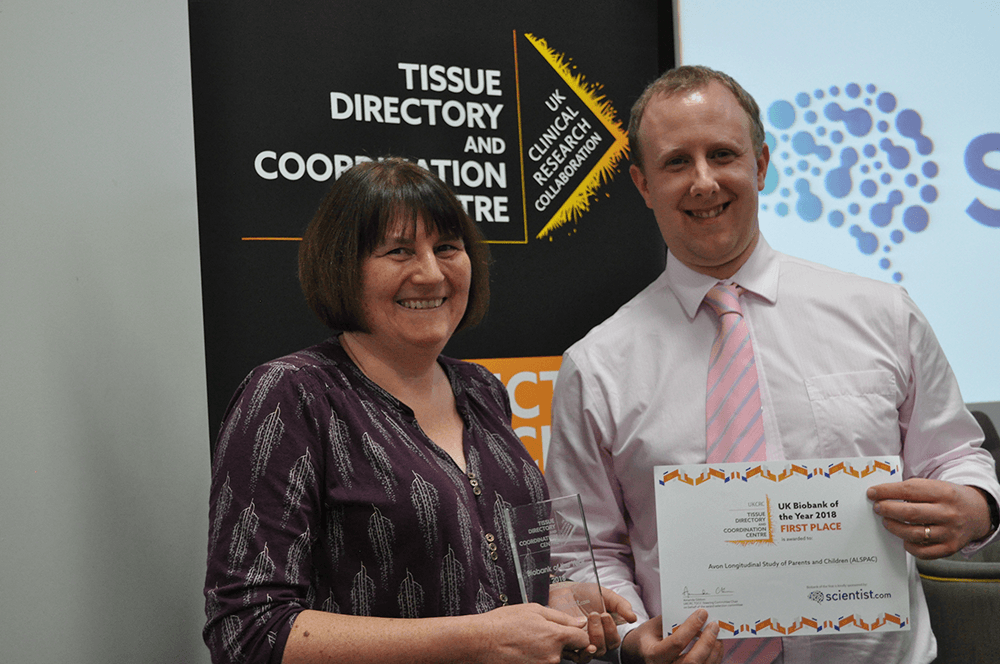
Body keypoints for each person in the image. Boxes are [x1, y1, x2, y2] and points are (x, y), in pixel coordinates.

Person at [544, 65, 1000, 664]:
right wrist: (632, 639)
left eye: (723, 154)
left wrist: (976, 504)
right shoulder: (596, 366)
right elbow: (585, 551)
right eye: (676, 162)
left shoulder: (883, 313)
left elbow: (956, 454)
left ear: (760, 164)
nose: (703, 182)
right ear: (642, 184)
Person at [202, 158, 641, 664]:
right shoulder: (292, 396)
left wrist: (551, 604)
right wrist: (479, 640)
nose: (431, 273)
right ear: (342, 266)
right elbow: (247, 631)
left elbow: (480, 581)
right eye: (399, 251)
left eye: (447, 248)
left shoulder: (481, 389)